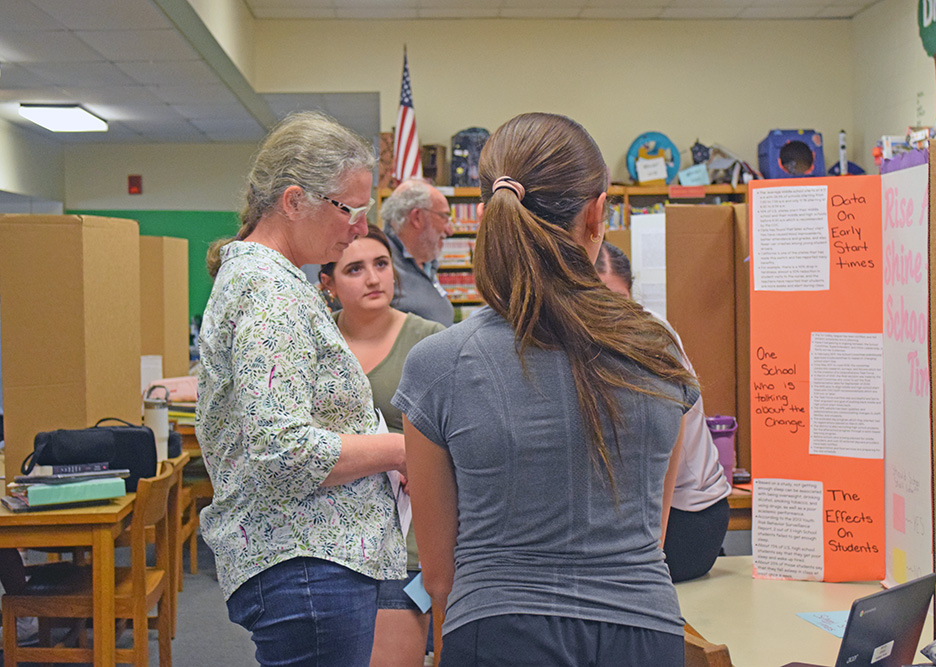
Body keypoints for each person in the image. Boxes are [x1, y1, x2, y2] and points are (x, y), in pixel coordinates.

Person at [392, 112, 698, 666]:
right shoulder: (657, 351)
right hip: (643, 632)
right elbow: (652, 532)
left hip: (496, 633)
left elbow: (438, 575)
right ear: (597, 213)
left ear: (489, 212)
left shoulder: (439, 364)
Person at [197, 111, 407, 667]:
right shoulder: (272, 293)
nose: (359, 227)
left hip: (307, 561)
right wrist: (399, 449)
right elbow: (283, 451)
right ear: (294, 201)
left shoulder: (269, 281)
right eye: (349, 209)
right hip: (307, 562)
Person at [320, 226, 444, 667]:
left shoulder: (429, 339)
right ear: (328, 284)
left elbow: (457, 433)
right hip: (327, 537)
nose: (373, 278)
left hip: (405, 538)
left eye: (381, 264)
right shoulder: (316, 342)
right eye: (354, 269)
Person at [595, 241, 731, 582]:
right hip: (643, 514)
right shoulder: (592, 335)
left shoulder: (650, 336)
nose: (609, 313)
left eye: (618, 300)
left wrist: (654, 550)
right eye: (597, 300)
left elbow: (668, 443)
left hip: (686, 518)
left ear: (631, 294)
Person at [379, 179, 455, 327]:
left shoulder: (425, 261)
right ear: (417, 217)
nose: (450, 230)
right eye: (444, 217)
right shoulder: (380, 261)